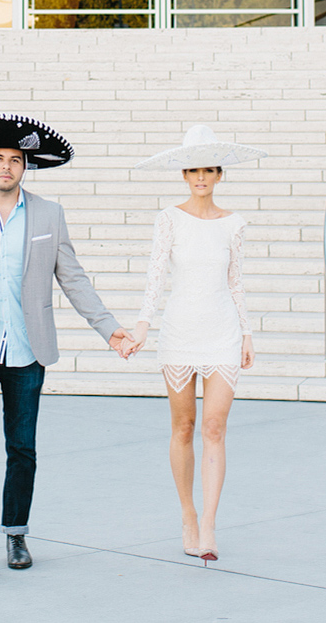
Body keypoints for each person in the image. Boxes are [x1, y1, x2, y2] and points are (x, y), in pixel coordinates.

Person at [0, 112, 138, 576]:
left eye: (15, 160)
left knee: (22, 446)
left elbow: (73, 278)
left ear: (26, 166)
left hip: (28, 347)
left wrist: (109, 328)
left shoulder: (49, 214)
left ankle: (16, 534)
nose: (6, 167)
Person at [129, 124, 266, 563]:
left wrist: (246, 332)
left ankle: (209, 524)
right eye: (193, 170)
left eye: (208, 170)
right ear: (184, 175)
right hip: (180, 332)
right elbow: (156, 274)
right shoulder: (169, 219)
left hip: (222, 331)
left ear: (219, 174)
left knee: (215, 428)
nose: (201, 177)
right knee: (184, 426)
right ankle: (187, 514)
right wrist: (144, 323)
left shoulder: (234, 224)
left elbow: (237, 281)